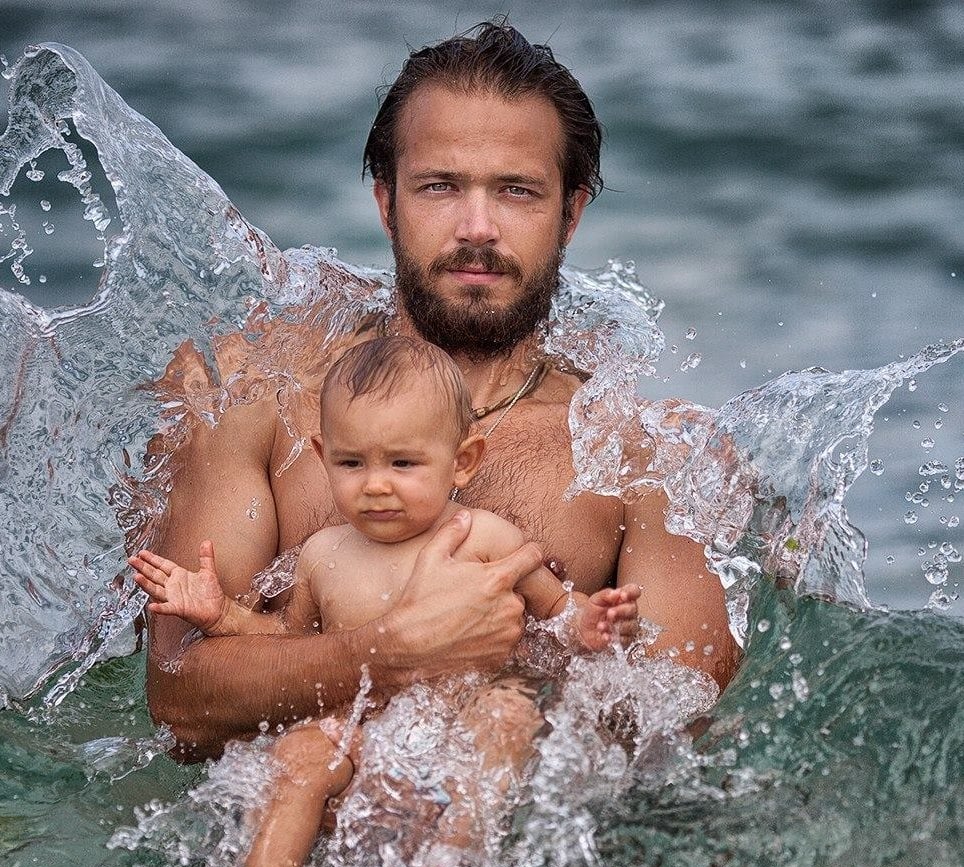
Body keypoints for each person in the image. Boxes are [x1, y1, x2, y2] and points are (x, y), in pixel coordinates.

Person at [145, 19, 739, 766]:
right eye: (440, 187)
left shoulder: (645, 461)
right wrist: (395, 655)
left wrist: (521, 661)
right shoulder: (262, 398)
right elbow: (179, 701)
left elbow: (677, 726)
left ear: (571, 214)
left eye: (517, 191)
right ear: (388, 203)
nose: (478, 227)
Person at [131, 337, 641, 867]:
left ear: (463, 461)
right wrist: (224, 615)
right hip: (367, 732)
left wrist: (589, 623)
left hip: (461, 722)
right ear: (322, 457)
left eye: (403, 464)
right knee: (299, 752)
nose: (376, 486)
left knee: (508, 714)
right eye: (351, 465)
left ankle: (454, 858)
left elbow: (554, 615)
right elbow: (297, 648)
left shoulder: (483, 536)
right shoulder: (323, 556)